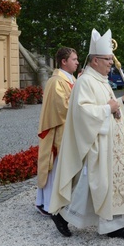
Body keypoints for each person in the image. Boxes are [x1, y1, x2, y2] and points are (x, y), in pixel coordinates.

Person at [49, 28, 124, 239]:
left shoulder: (101, 80)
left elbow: (112, 106)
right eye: (107, 59)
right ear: (94, 61)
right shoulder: (85, 81)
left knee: (106, 185)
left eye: (111, 59)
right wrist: (109, 108)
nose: (111, 63)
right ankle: (63, 216)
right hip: (97, 142)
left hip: (112, 141)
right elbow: (84, 112)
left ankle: (113, 225)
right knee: (92, 185)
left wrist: (123, 100)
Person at [36, 47, 79, 221]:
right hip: (57, 133)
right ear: (64, 61)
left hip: (68, 131)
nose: (77, 62)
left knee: (63, 169)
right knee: (53, 168)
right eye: (74, 59)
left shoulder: (71, 79)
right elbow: (63, 108)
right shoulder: (56, 81)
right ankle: (47, 205)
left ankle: (59, 202)